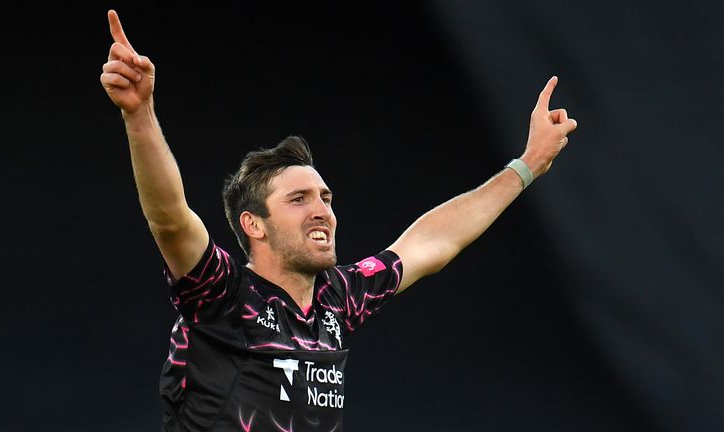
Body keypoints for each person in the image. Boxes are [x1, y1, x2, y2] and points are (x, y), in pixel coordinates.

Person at [100, 8, 577, 432]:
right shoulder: (221, 295)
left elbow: (432, 242)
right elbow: (170, 219)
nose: (322, 209)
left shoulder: (338, 299)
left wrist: (527, 165)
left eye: (325, 197)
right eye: (299, 199)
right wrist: (140, 115)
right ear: (253, 224)